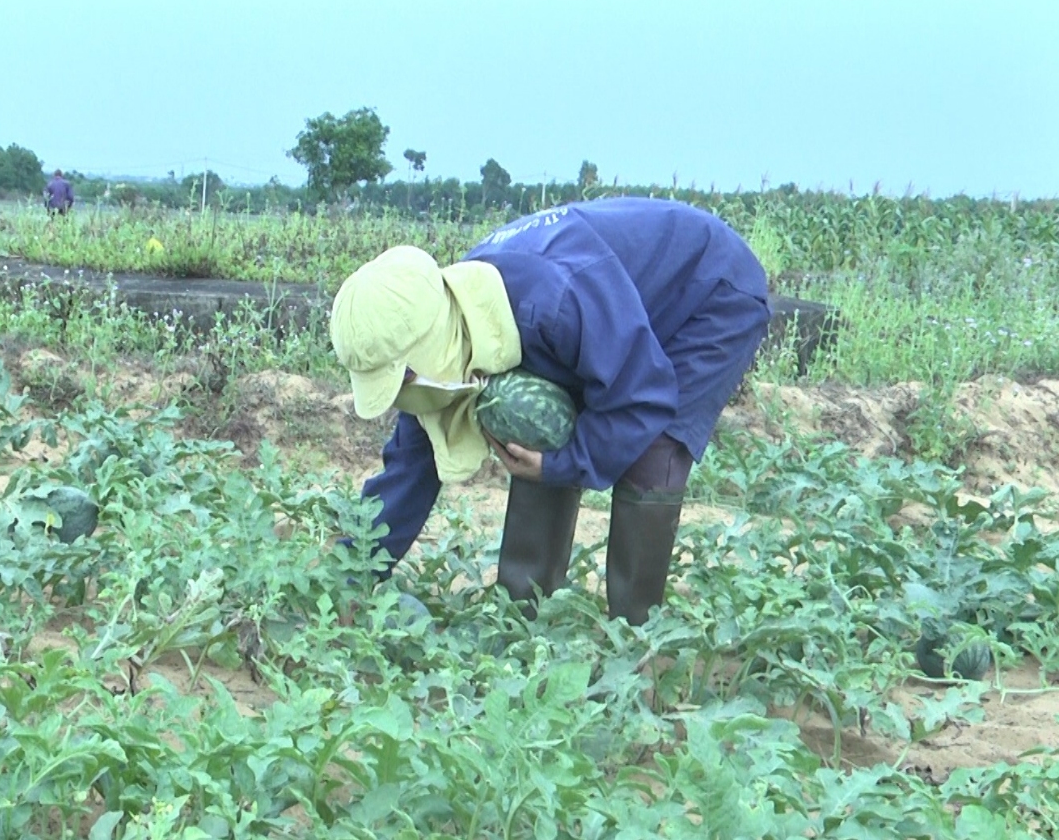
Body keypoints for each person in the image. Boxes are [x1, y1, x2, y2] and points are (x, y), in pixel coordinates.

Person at [329, 197, 771, 626]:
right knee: (530, 420)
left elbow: (643, 395)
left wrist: (565, 464)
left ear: (424, 349)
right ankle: (523, 621)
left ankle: (638, 639)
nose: (405, 393)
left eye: (402, 379)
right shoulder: (450, 314)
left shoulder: (550, 303)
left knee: (652, 452)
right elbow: (411, 461)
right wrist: (350, 574)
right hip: (613, 309)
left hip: (708, 291)